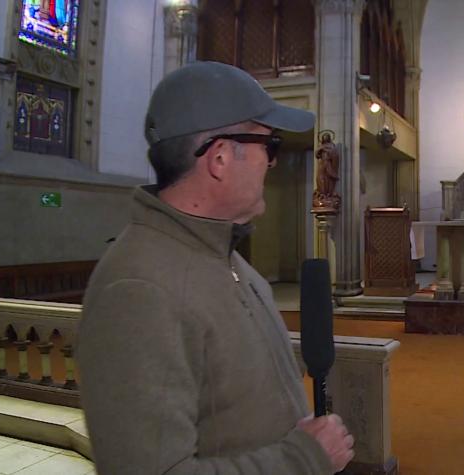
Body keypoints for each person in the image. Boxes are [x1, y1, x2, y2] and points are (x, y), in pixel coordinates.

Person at [77, 61, 354, 474]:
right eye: (269, 145)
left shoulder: (225, 254)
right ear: (220, 158)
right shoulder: (137, 290)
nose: (272, 162)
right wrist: (303, 458)